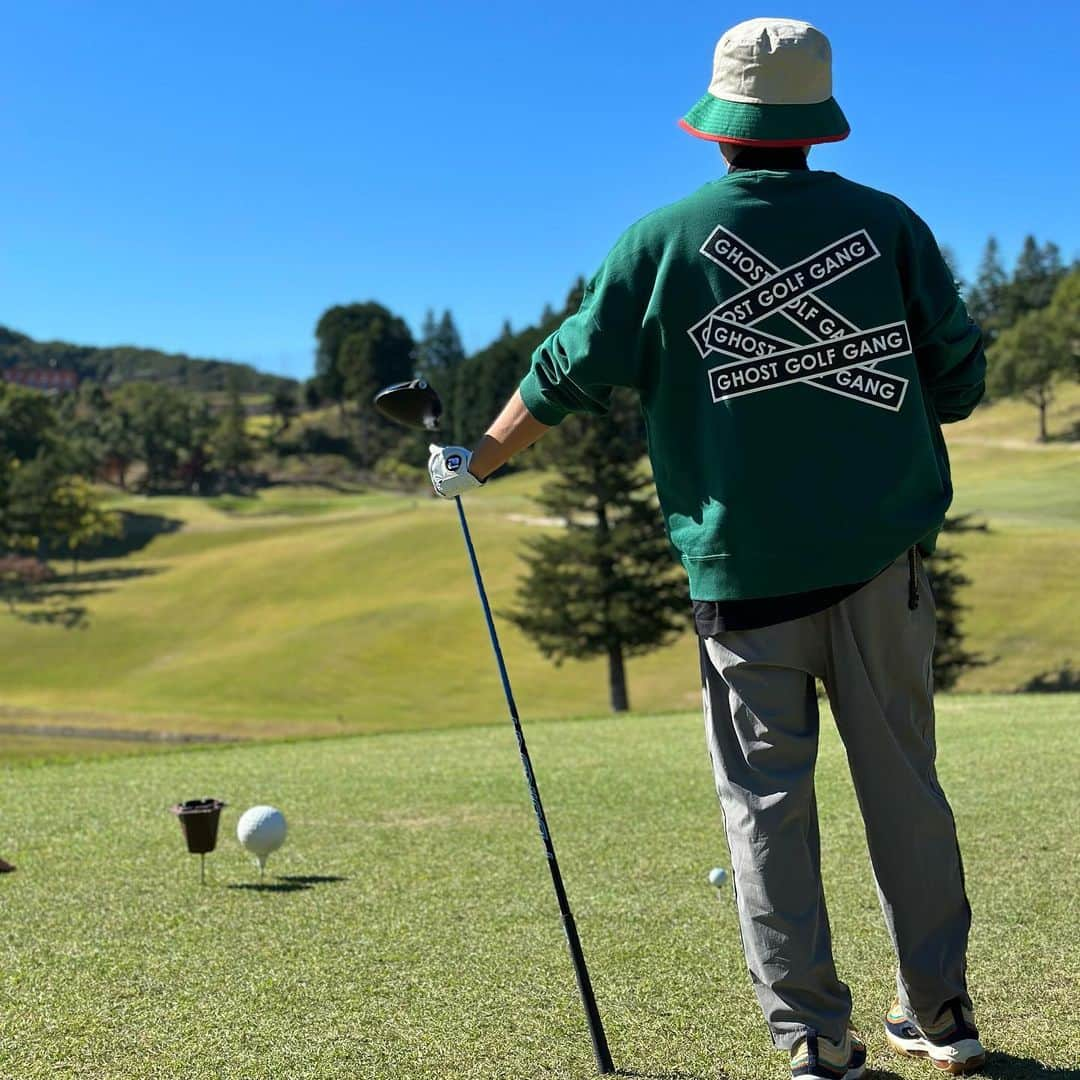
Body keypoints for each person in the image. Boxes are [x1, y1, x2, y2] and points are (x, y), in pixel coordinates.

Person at [426, 18, 986, 1080]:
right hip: (881, 568)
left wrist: (479, 462)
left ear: (717, 130)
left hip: (744, 580)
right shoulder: (890, 226)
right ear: (815, 128)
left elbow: (564, 372)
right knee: (905, 789)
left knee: (767, 806)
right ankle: (945, 1017)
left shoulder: (659, 241)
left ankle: (816, 1041)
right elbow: (957, 379)